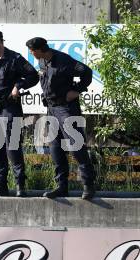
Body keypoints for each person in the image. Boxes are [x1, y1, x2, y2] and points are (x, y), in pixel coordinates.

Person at [26, 37, 96, 200]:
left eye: (32, 51)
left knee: (76, 145)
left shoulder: (64, 60)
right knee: (55, 147)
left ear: (40, 49)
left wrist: (77, 90)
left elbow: (87, 72)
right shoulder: (42, 61)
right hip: (51, 109)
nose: (31, 53)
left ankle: (88, 185)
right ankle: (61, 186)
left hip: (66, 108)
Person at [0, 30, 39, 197]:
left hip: (10, 108)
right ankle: (1, 185)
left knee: (12, 146)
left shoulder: (15, 58)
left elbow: (33, 76)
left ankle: (20, 185)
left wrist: (18, 86)